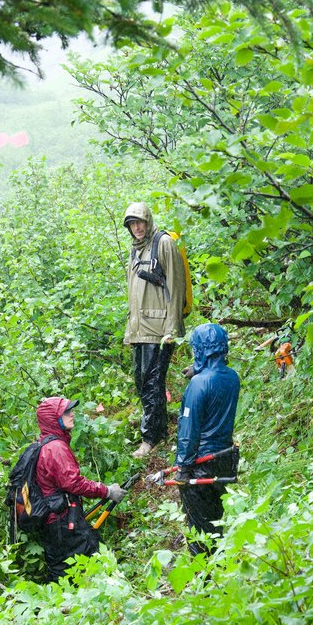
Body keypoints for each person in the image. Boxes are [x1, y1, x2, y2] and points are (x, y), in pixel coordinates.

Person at [35, 396, 126, 583]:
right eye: (66, 411)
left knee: (62, 571)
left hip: (54, 521)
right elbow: (73, 483)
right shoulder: (55, 448)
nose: (72, 414)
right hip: (62, 523)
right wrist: (107, 491)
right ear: (54, 418)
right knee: (97, 559)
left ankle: (61, 607)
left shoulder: (45, 444)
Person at [123, 202, 186, 458]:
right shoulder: (135, 250)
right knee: (142, 383)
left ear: (148, 220)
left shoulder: (164, 244)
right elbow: (134, 293)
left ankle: (151, 438)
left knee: (152, 384)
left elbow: (176, 285)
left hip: (159, 330)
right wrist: (131, 331)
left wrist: (172, 329)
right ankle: (158, 430)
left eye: (139, 222)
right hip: (141, 330)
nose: (136, 227)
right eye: (131, 224)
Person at [173, 323, 240, 555]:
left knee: (199, 529)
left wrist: (183, 466)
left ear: (200, 349)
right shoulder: (233, 377)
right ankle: (218, 570)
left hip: (199, 463)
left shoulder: (198, 384)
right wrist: (199, 370)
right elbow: (216, 378)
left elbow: (189, 430)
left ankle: (205, 579)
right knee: (215, 522)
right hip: (224, 459)